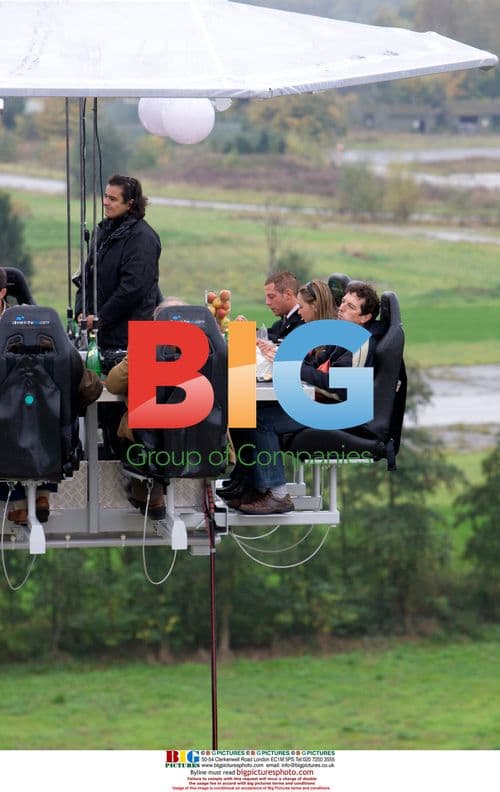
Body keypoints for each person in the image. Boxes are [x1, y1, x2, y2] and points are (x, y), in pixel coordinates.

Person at [228, 280, 385, 515]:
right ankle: (253, 484)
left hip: (336, 409)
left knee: (261, 419)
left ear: (365, 317)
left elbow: (339, 389)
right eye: (343, 302)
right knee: (242, 409)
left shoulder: (360, 344)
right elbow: (315, 366)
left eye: (351, 307)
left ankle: (278, 495)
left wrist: (293, 368)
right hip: (319, 402)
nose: (341, 308)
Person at [103, 298, 187, 520]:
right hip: (199, 437)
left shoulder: (145, 347)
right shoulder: (210, 347)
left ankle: (150, 497)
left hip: (150, 438)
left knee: (135, 428)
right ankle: (152, 497)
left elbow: (112, 385)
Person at [74, 174, 161, 352]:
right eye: (105, 196)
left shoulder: (143, 238)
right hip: (99, 336)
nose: (105, 202)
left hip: (129, 341)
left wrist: (100, 318)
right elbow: (86, 275)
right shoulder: (101, 232)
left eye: (113, 199)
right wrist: (80, 311)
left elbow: (133, 288)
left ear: (129, 203)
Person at [236, 270, 304, 342]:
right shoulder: (281, 323)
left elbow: (283, 341)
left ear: (288, 294)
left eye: (271, 296)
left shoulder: (304, 321)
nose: (267, 302)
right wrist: (247, 329)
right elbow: (270, 334)